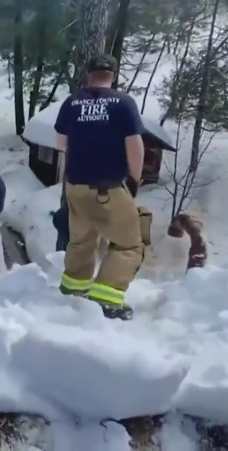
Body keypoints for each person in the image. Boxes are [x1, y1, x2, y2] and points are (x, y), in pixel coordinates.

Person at [54, 54, 145, 320]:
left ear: (88, 74)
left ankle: (73, 289)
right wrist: (134, 179)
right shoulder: (123, 103)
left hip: (75, 188)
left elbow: (60, 144)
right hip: (107, 188)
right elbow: (135, 146)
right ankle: (106, 300)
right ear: (113, 75)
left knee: (82, 239)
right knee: (129, 244)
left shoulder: (72, 103)